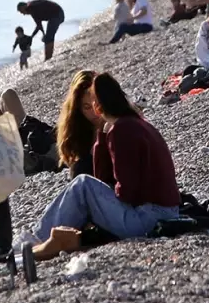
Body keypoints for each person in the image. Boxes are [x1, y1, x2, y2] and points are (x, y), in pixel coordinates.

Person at [28, 73, 181, 261]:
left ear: (98, 107)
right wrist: (102, 135)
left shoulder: (122, 130)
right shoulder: (135, 123)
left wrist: (106, 197)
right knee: (87, 186)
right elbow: (103, 177)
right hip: (165, 213)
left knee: (83, 184)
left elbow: (127, 192)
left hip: (149, 219)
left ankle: (35, 240)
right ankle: (42, 238)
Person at [55, 70, 105, 180]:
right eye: (87, 107)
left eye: (98, 104)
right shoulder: (77, 129)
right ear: (78, 109)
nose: (95, 112)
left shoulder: (117, 124)